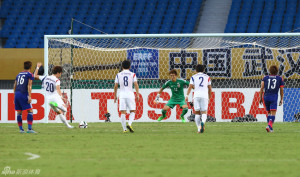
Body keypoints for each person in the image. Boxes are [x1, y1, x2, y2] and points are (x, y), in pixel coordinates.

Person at [34, 63, 73, 128]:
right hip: (55, 97)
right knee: (65, 109)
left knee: (59, 112)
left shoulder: (45, 77)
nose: (60, 75)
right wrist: (61, 97)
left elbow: (35, 75)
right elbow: (58, 89)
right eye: (60, 73)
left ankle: (68, 125)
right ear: (58, 73)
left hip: (48, 99)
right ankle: (57, 105)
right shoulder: (57, 80)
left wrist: (37, 67)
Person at [114, 60, 139, 133]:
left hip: (122, 95)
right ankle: (129, 124)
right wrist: (137, 94)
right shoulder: (133, 74)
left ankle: (124, 129)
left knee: (123, 112)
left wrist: (115, 95)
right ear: (129, 66)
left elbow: (115, 86)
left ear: (122, 66)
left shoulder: (118, 74)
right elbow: (136, 84)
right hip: (130, 94)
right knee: (133, 111)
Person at [185, 64, 212, 133]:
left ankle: (199, 129)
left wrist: (187, 96)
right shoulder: (207, 77)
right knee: (204, 112)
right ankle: (203, 122)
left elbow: (190, 86)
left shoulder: (193, 77)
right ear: (203, 70)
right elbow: (209, 88)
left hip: (196, 96)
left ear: (196, 70)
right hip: (204, 96)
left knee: (197, 113)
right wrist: (209, 98)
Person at [259, 65, 284, 133]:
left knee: (269, 113)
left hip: (266, 97)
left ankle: (270, 128)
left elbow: (262, 88)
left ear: (269, 71)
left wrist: (260, 97)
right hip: (273, 97)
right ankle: (269, 126)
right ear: (277, 71)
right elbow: (281, 89)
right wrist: (281, 99)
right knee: (273, 114)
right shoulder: (280, 78)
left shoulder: (265, 78)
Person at [14, 61, 35, 133]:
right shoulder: (30, 75)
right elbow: (29, 85)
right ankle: (29, 129)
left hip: (17, 94)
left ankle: (21, 130)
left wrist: (14, 95)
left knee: (19, 112)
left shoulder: (18, 74)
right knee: (30, 111)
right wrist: (29, 96)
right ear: (31, 67)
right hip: (23, 93)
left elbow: (15, 85)